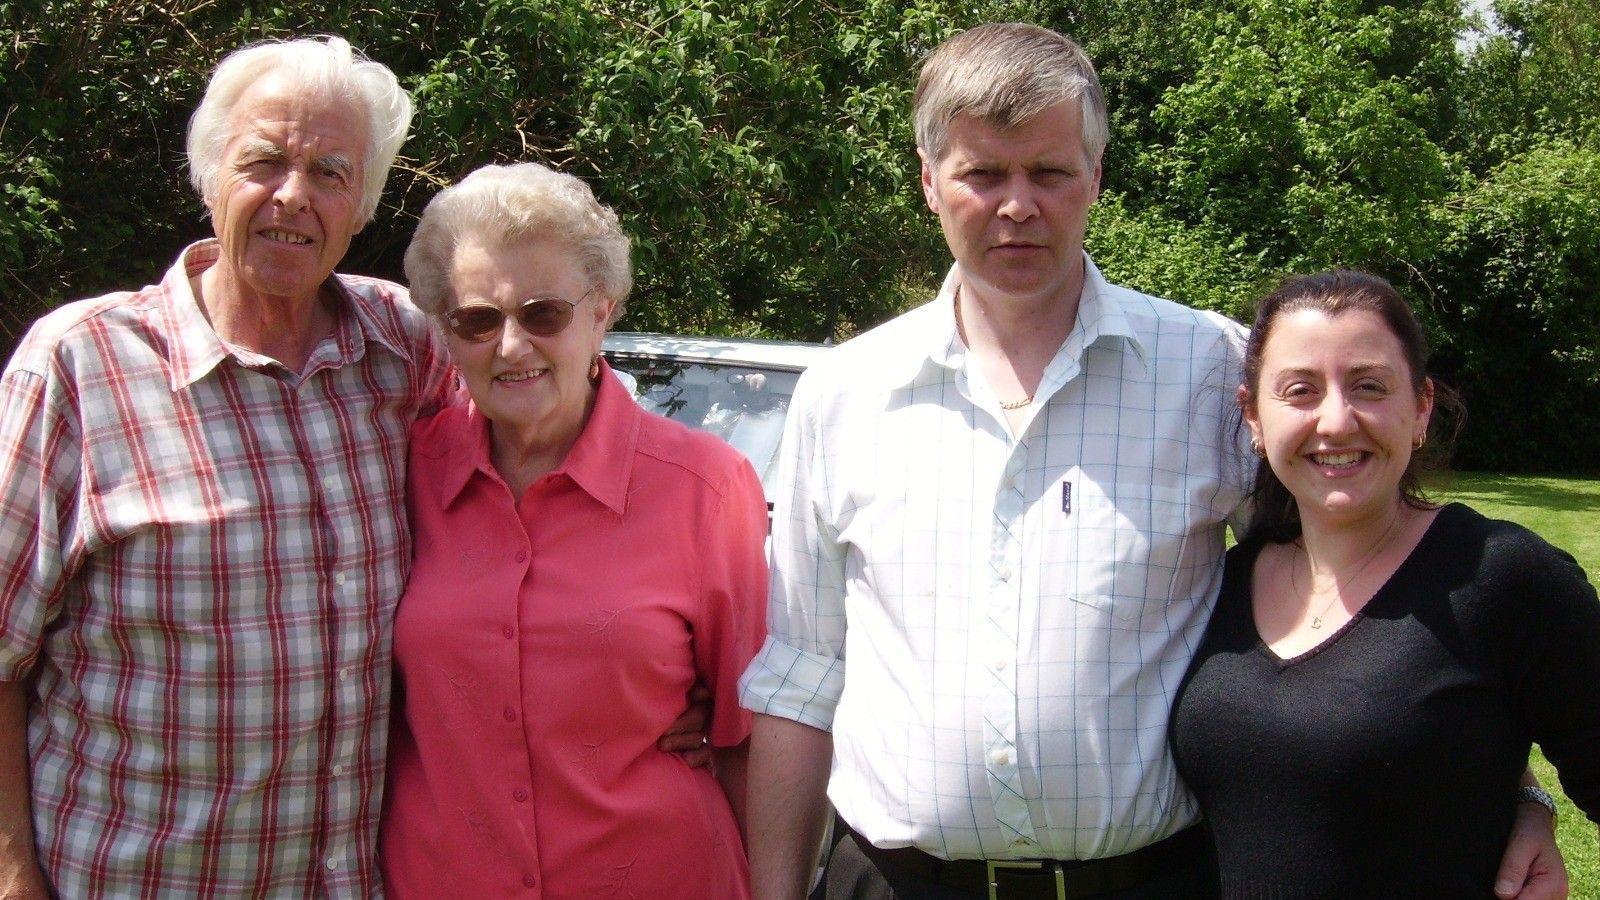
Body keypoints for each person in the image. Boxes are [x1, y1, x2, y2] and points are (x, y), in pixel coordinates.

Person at [737, 22, 1566, 900]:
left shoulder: (1209, 373)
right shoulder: (844, 395)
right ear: (929, 180)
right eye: (983, 174)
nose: (1018, 206)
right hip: (892, 884)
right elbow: (800, 680)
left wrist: (1513, 789)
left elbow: (1362, 601)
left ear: (1096, 176)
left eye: (1050, 172)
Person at [0, 38, 709, 897]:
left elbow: (539, 487)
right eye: (263, 161)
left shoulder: (405, 348)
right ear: (209, 175)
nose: (293, 195)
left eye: (330, 172)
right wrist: (12, 872)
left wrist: (670, 677)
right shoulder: (81, 365)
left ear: (361, 205)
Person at [378, 162, 768, 898]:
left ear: (602, 311)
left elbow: (755, 731)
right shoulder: (399, 473)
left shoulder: (705, 490)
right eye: (477, 320)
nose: (511, 346)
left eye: (543, 313)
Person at [1169, 270, 1600, 897]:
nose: (1336, 421)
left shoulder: (1500, 576)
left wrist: (1532, 805)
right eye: (1300, 391)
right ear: (1253, 417)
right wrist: (1528, 796)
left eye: (1369, 386)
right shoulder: (1222, 584)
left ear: (1421, 407)